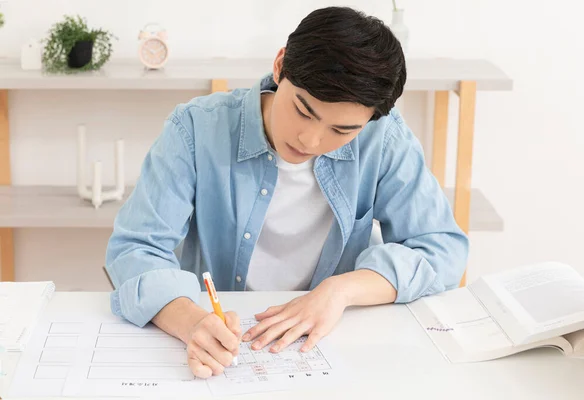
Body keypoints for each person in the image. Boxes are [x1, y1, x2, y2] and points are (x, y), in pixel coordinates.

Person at [105, 6, 469, 379]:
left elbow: (443, 249)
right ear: (280, 65)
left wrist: (339, 291)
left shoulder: (385, 138)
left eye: (341, 131)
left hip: (331, 347)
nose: (310, 140)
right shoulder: (196, 128)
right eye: (303, 110)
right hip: (223, 344)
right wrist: (190, 321)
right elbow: (135, 249)